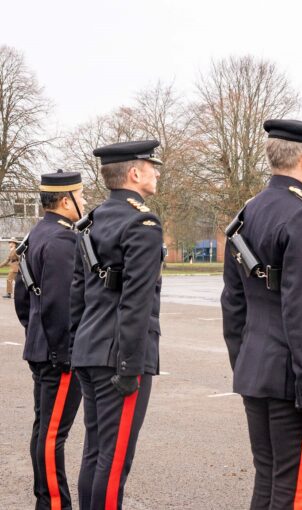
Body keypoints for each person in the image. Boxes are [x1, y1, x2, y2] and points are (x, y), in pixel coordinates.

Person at [221, 119, 302, 510]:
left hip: (257, 369)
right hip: (294, 377)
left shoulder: (247, 212)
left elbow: (233, 302)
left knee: (268, 483)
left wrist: (245, 361)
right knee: (292, 491)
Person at [70, 140, 164, 510]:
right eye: (151, 166)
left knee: (95, 453)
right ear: (134, 173)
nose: (156, 172)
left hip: (90, 350)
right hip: (119, 358)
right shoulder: (142, 222)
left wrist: (79, 344)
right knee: (114, 461)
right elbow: (136, 302)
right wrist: (129, 366)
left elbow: (79, 293)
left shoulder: (92, 219)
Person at [14, 170, 85, 510]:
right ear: (64, 199)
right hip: (59, 354)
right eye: (80, 196)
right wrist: (64, 352)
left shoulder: (37, 234)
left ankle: (46, 499)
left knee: (44, 429)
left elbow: (22, 299)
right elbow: (61, 304)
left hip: (42, 347)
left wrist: (35, 333)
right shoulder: (61, 241)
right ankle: (54, 504)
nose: (84, 202)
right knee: (53, 434)